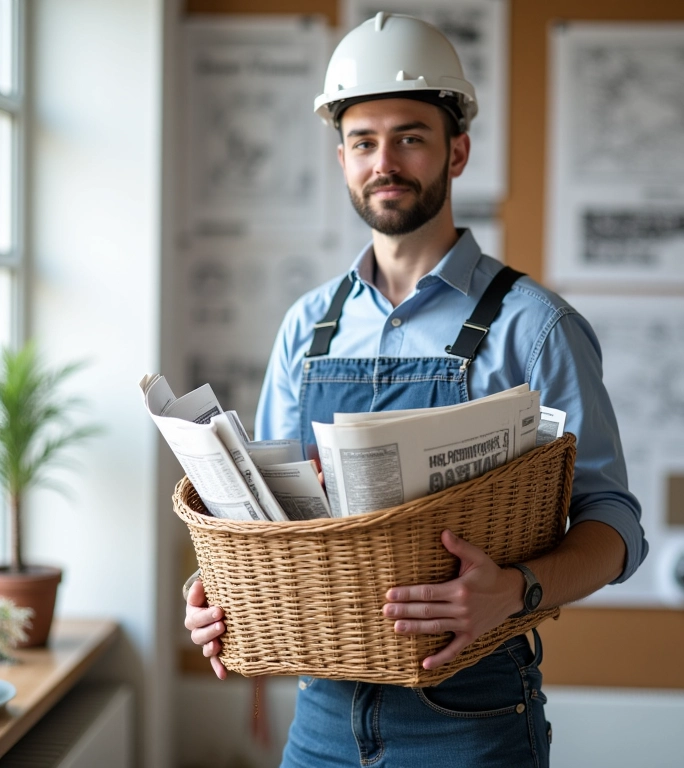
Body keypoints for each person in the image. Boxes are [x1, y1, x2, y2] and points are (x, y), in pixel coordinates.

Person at [185, 12, 648, 767]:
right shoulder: (307, 327)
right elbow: (259, 520)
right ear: (341, 159)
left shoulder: (535, 328)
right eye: (364, 142)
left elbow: (615, 526)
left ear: (456, 152)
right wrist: (213, 591)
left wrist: (519, 589)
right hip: (321, 716)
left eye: (410, 137)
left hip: (470, 714)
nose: (384, 162)